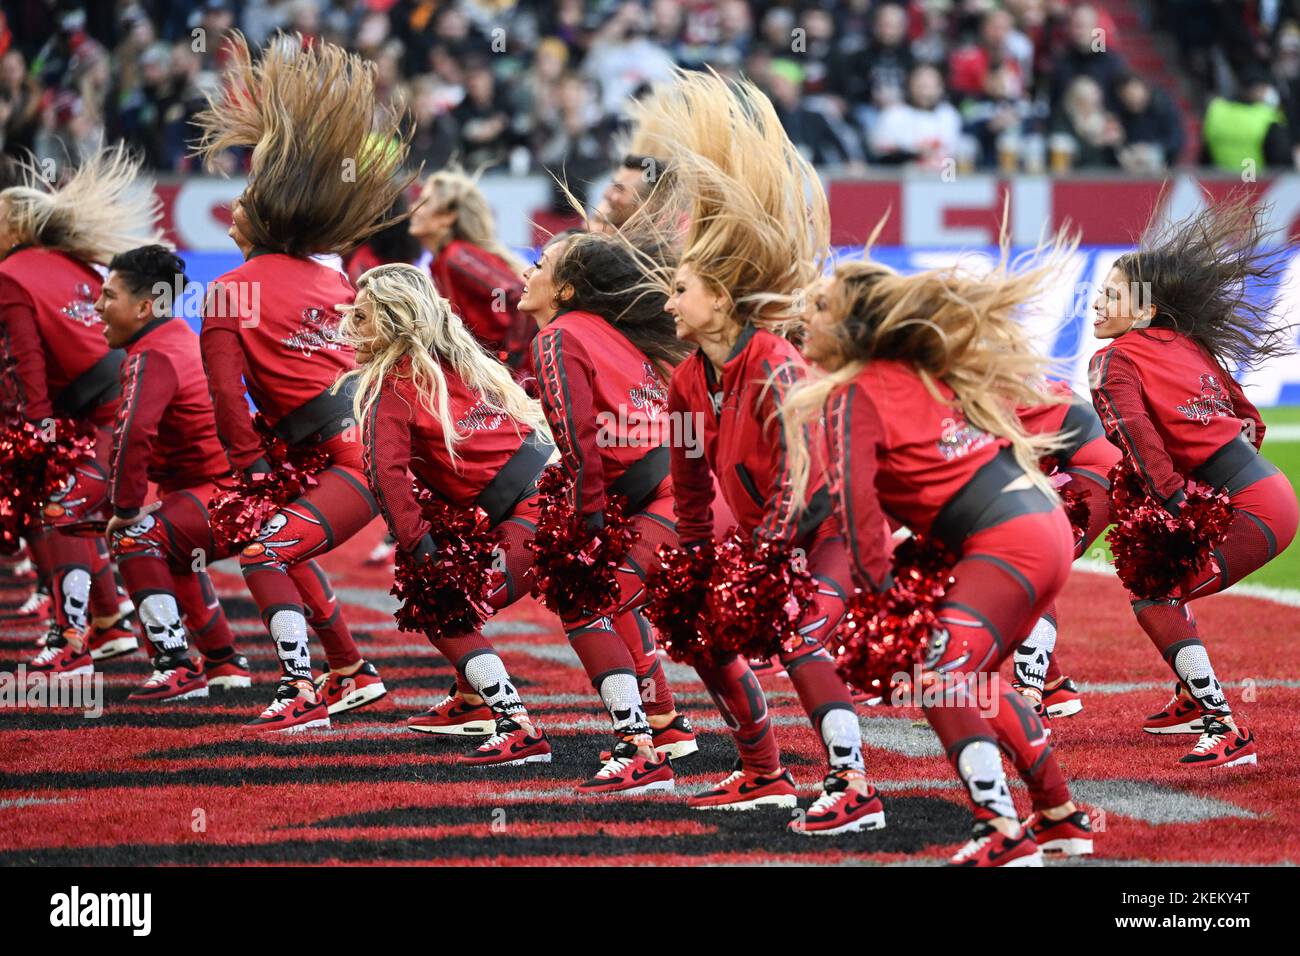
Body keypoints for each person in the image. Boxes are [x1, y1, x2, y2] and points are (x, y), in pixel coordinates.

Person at [784, 251, 1095, 866]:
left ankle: (1001, 830)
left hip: (1006, 537)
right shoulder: (916, 372)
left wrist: (878, 603)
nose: (804, 316)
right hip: (1035, 525)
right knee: (972, 681)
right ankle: (1060, 817)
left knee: (941, 678)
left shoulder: (852, 394)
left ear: (852, 329)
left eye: (819, 307)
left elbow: (861, 515)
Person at [191, 33, 406, 732]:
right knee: (289, 543)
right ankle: (350, 670)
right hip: (371, 451)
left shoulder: (228, 291)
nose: (233, 208)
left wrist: (250, 472)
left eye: (243, 199)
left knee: (263, 547)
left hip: (338, 458)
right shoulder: (333, 277)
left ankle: (302, 686)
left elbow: (228, 400)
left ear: (263, 216)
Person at [1089, 196, 1298, 767]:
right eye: (1099, 290)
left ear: (1146, 307)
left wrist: (1179, 500)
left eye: (1113, 294)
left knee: (1155, 597)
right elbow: (1250, 420)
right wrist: (1217, 483)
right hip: (1269, 490)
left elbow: (1136, 439)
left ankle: (1224, 725)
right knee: (1170, 584)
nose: (1098, 302)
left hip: (1249, 507)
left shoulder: (1113, 360)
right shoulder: (1189, 344)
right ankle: (1187, 696)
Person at [338, 263, 559, 765]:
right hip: (549, 491)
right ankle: (472, 700)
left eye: (364, 315)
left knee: (446, 606)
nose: (352, 323)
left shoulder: (390, 385)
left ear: (393, 321)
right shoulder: (462, 358)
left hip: (533, 508)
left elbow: (386, 476)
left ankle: (516, 724)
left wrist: (419, 548)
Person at [521, 230, 700, 794]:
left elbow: (577, 443)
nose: (529, 269)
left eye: (541, 263)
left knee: (584, 601)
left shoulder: (556, 338)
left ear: (567, 288)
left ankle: (639, 748)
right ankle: (665, 724)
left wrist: (587, 525)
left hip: (664, 498)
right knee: (632, 607)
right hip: (676, 492)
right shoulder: (609, 332)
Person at [0, 146, 158, 676]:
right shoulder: (74, 261)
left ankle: (74, 640)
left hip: (103, 409)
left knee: (57, 511)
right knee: (77, 512)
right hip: (126, 394)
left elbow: (25, 364)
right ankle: (109, 620)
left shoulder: (11, 275)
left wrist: (32, 433)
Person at [95, 244, 252, 700]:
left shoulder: (152, 354)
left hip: (223, 496)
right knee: (170, 541)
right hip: (227, 492)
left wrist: (124, 508)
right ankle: (223, 660)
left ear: (144, 307)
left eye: (109, 295)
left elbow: (132, 436)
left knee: (135, 535)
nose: (99, 306)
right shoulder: (176, 336)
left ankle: (176, 664)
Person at [1013, 378, 1121, 717]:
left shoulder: (974, 390)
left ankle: (1029, 699)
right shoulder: (976, 373)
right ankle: (1053, 687)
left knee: (1022, 565)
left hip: (1094, 470)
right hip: (1076, 463)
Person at [409, 168, 534, 370]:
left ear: (448, 216)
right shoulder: (445, 261)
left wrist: (509, 362)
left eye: (424, 202)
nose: (414, 209)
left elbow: (515, 294)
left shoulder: (457, 257)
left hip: (521, 379)